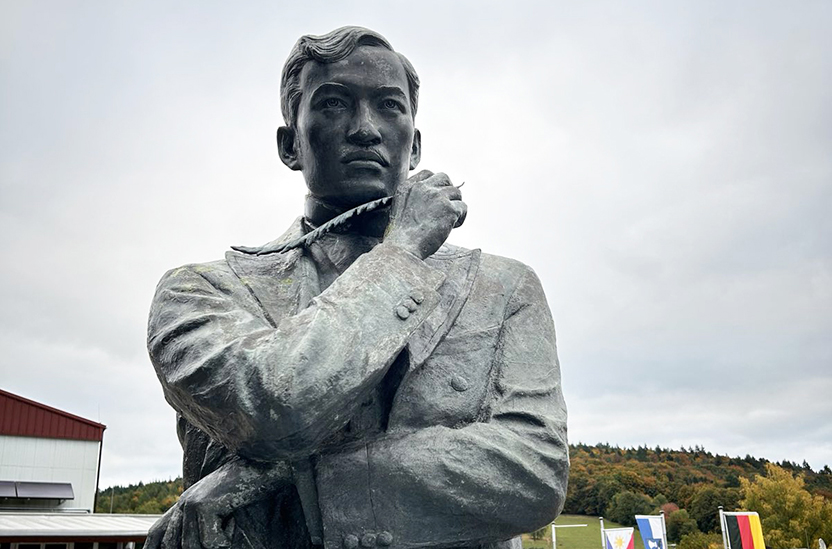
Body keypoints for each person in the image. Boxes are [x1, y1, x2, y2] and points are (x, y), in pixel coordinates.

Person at [146, 26, 568, 549]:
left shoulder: (504, 288)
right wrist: (401, 251)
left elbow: (535, 472)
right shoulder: (201, 291)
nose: (365, 129)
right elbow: (273, 410)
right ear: (290, 145)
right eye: (334, 104)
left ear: (413, 146)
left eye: (389, 107)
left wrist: (279, 482)